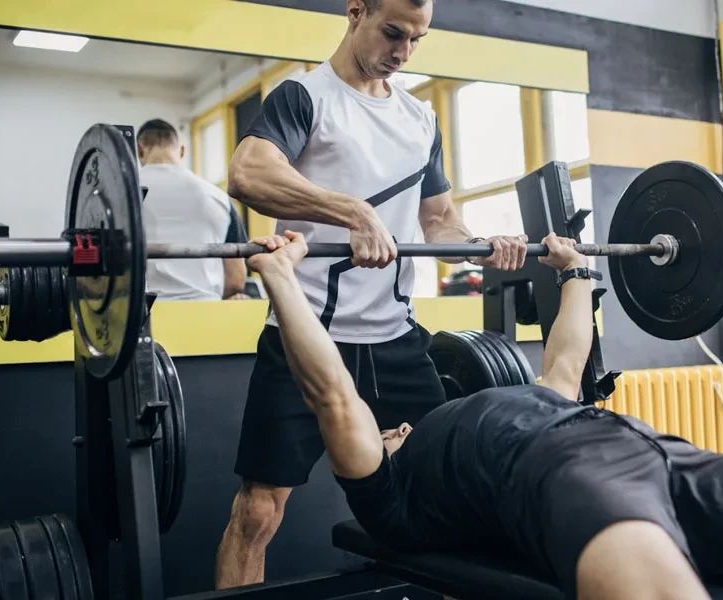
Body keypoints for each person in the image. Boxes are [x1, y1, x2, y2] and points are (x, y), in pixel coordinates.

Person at [247, 229, 723, 600]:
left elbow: (564, 370)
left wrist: (575, 272)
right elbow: (331, 388)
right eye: (378, 430)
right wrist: (281, 279)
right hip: (563, 478)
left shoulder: (502, 404)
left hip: (661, 451)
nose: (387, 424)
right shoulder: (386, 493)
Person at [216, 0, 531, 588]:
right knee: (259, 510)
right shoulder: (305, 96)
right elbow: (248, 173)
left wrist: (480, 243)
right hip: (304, 337)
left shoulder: (421, 119)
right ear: (355, 11)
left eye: (417, 40)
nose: (403, 52)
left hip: (397, 341)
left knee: (451, 485)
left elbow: (439, 222)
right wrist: (351, 211)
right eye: (393, 33)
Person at [138, 118, 249, 301]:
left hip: (141, 317)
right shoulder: (218, 197)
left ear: (139, 149)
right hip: (204, 312)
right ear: (182, 151)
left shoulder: (121, 196)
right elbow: (236, 279)